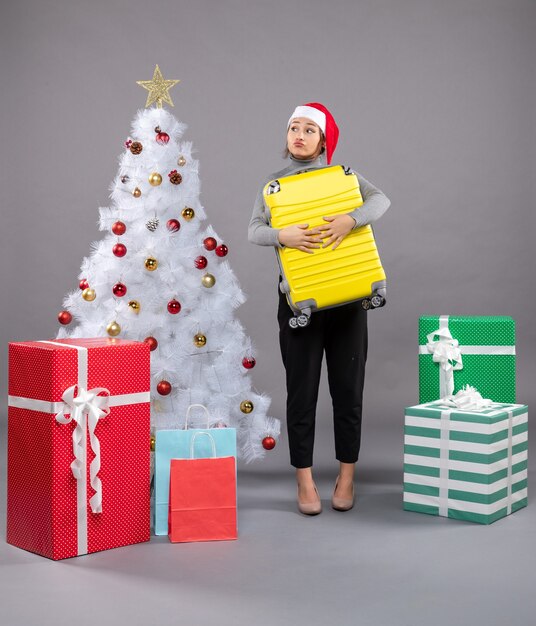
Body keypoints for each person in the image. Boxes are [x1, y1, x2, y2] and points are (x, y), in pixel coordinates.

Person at [248, 102, 390, 515]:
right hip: (300, 303)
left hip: (347, 299)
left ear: (324, 139)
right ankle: (304, 480)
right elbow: (254, 230)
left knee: (349, 390)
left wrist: (352, 219)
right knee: (302, 393)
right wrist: (282, 235)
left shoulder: (343, 177)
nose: (300, 135)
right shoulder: (272, 186)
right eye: (294, 127)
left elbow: (380, 200)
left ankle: (347, 476)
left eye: (310, 129)